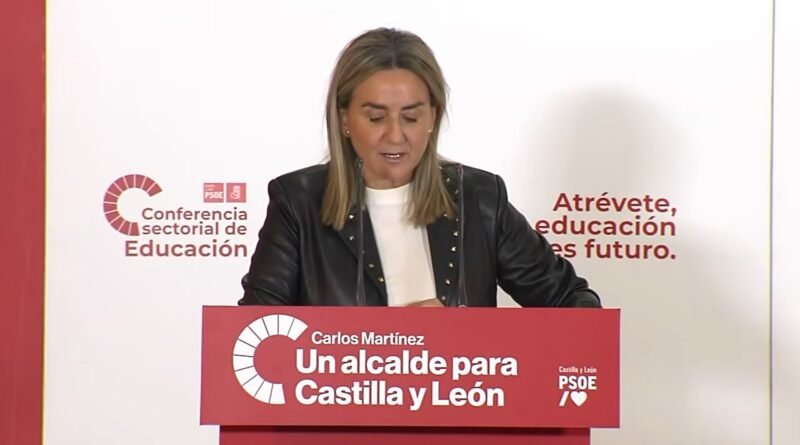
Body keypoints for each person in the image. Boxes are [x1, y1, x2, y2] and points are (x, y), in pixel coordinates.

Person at [239, 27, 600, 308]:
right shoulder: (297, 202)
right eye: (376, 117)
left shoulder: (479, 198)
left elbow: (574, 304)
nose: (396, 135)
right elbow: (254, 334)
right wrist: (393, 339)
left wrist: (478, 337)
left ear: (433, 117)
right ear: (344, 119)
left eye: (411, 117)